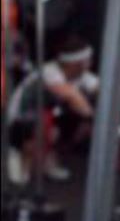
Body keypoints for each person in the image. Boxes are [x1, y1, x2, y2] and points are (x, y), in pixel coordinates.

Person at [7, 33, 99, 185]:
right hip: (20, 119)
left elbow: (102, 90)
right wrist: (101, 124)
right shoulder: (50, 72)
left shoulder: (82, 76)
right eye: (87, 60)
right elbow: (72, 96)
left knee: (77, 124)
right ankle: (18, 154)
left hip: (46, 117)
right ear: (76, 63)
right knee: (46, 123)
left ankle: (49, 159)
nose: (90, 63)